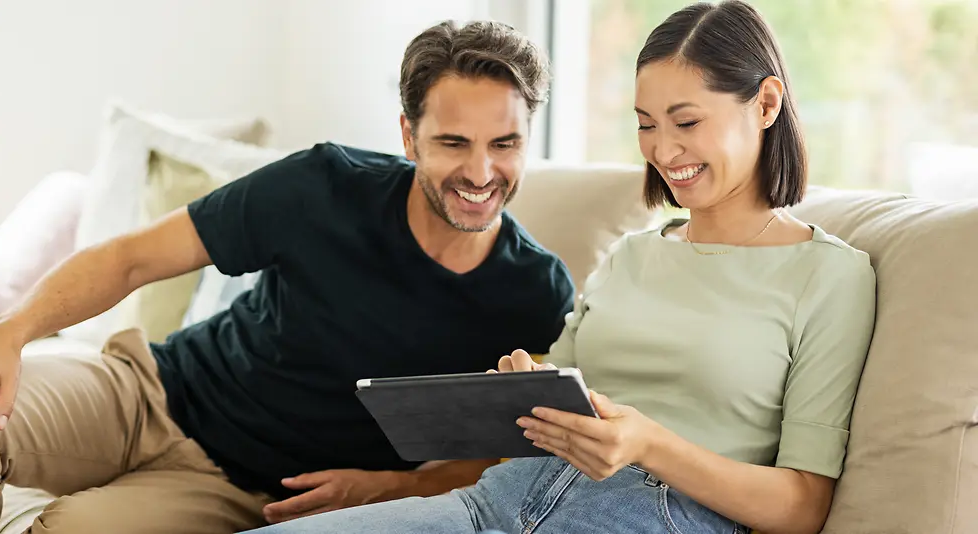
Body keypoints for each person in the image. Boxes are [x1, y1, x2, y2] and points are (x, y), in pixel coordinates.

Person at [0, 20, 576, 534]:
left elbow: (515, 461)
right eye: (454, 142)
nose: (481, 173)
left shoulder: (536, 296)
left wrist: (383, 487)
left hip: (249, 492)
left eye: (505, 144)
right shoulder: (323, 186)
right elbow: (130, 257)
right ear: (408, 135)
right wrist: (6, 334)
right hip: (150, 391)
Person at [244, 2, 878, 533]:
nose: (663, 150)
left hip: (652, 517)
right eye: (646, 125)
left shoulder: (830, 277)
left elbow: (803, 505)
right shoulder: (631, 255)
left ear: (766, 104)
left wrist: (649, 444)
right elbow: (556, 394)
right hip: (497, 500)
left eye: (687, 122)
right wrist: (523, 388)